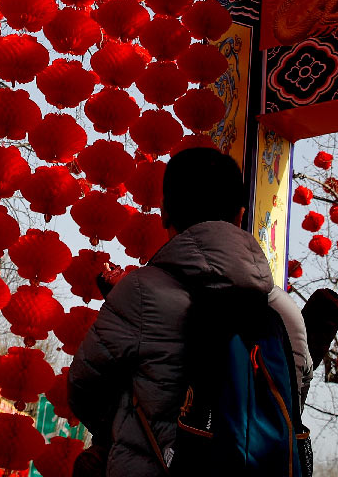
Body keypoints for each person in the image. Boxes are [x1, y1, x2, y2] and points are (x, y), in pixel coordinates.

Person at [68, 146, 311, 475]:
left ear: (165, 212)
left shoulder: (140, 293)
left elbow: (84, 390)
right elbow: (294, 395)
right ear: (240, 215)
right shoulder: (284, 311)